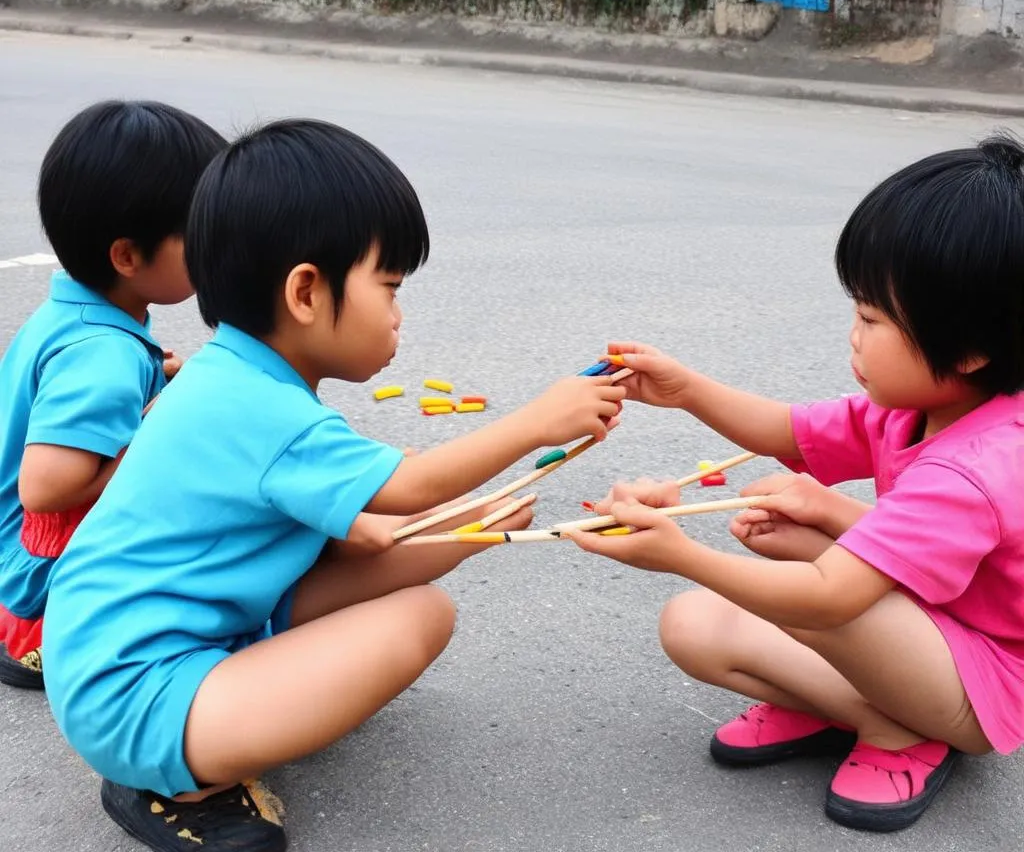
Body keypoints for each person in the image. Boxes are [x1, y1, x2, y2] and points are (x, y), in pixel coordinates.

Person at [43, 118, 626, 852]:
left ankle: (222, 721)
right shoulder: (260, 407)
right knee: (419, 619)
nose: (397, 315)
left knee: (418, 560)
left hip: (127, 651)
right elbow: (410, 487)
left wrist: (470, 527)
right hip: (132, 690)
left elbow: (375, 527)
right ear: (307, 292)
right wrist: (537, 422)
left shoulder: (238, 377)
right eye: (388, 287)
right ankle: (179, 784)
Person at [570, 135, 1024, 833]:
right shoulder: (911, 409)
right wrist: (687, 388)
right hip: (920, 627)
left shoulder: (979, 465)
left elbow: (828, 598)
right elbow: (790, 431)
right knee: (692, 624)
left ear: (968, 348)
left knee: (813, 587)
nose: (852, 335)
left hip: (982, 689)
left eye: (873, 319)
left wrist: (679, 553)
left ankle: (905, 730)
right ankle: (857, 704)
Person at [0, 100, 226, 690]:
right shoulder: (103, 354)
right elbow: (45, 487)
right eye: (201, 233)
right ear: (127, 256)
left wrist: (158, 375)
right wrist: (155, 430)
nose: (219, 245)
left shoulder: (80, 314)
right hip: (33, 573)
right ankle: (45, 639)